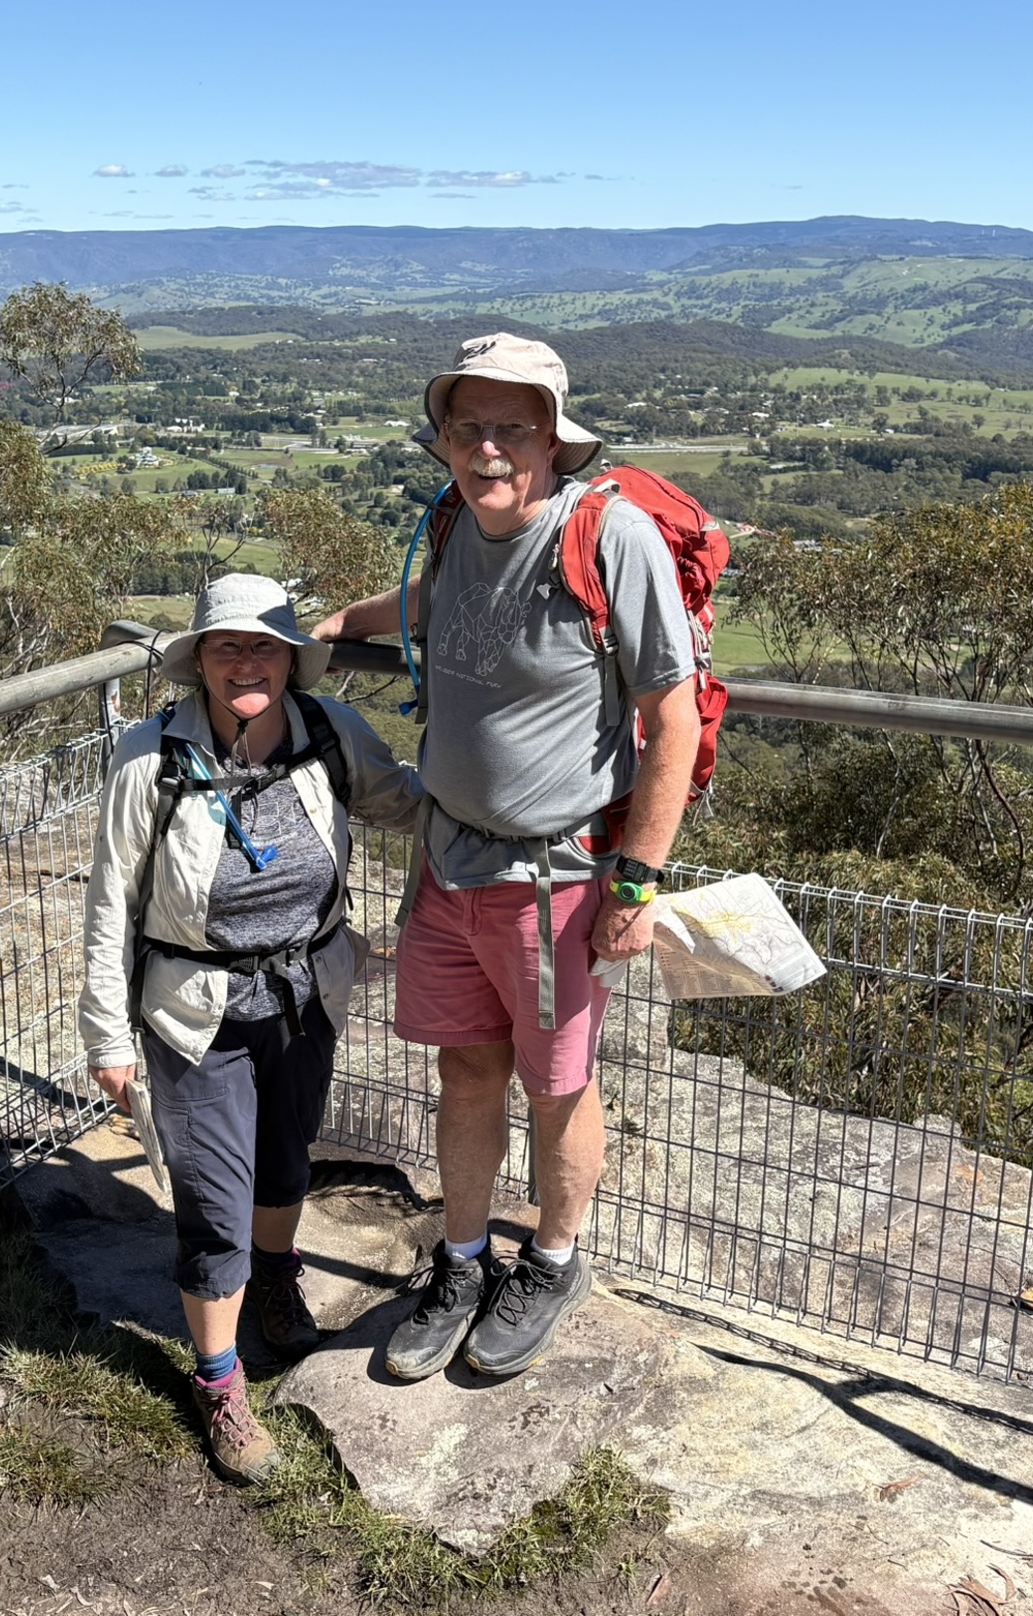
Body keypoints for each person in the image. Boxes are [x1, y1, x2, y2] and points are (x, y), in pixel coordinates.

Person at [313, 334, 699, 1382]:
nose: (488, 448)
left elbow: (673, 716)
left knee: (558, 1086)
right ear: (443, 439)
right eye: (468, 427)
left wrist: (639, 877)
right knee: (467, 1069)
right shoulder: (453, 526)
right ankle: (462, 1261)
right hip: (448, 862)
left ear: (553, 439)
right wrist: (328, 632)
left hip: (555, 877)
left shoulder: (607, 538)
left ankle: (555, 1262)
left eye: (512, 429)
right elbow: (429, 610)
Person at [80, 573, 420, 1483]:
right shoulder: (150, 757)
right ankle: (219, 1382)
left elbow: (404, 801)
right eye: (226, 645)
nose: (245, 662)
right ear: (199, 660)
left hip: (305, 994)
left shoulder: (326, 733)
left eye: (263, 645)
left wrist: (507, 797)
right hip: (196, 1011)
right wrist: (107, 1036)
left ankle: (274, 1276)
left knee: (285, 1160)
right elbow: (112, 900)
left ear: (289, 659)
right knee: (213, 1199)